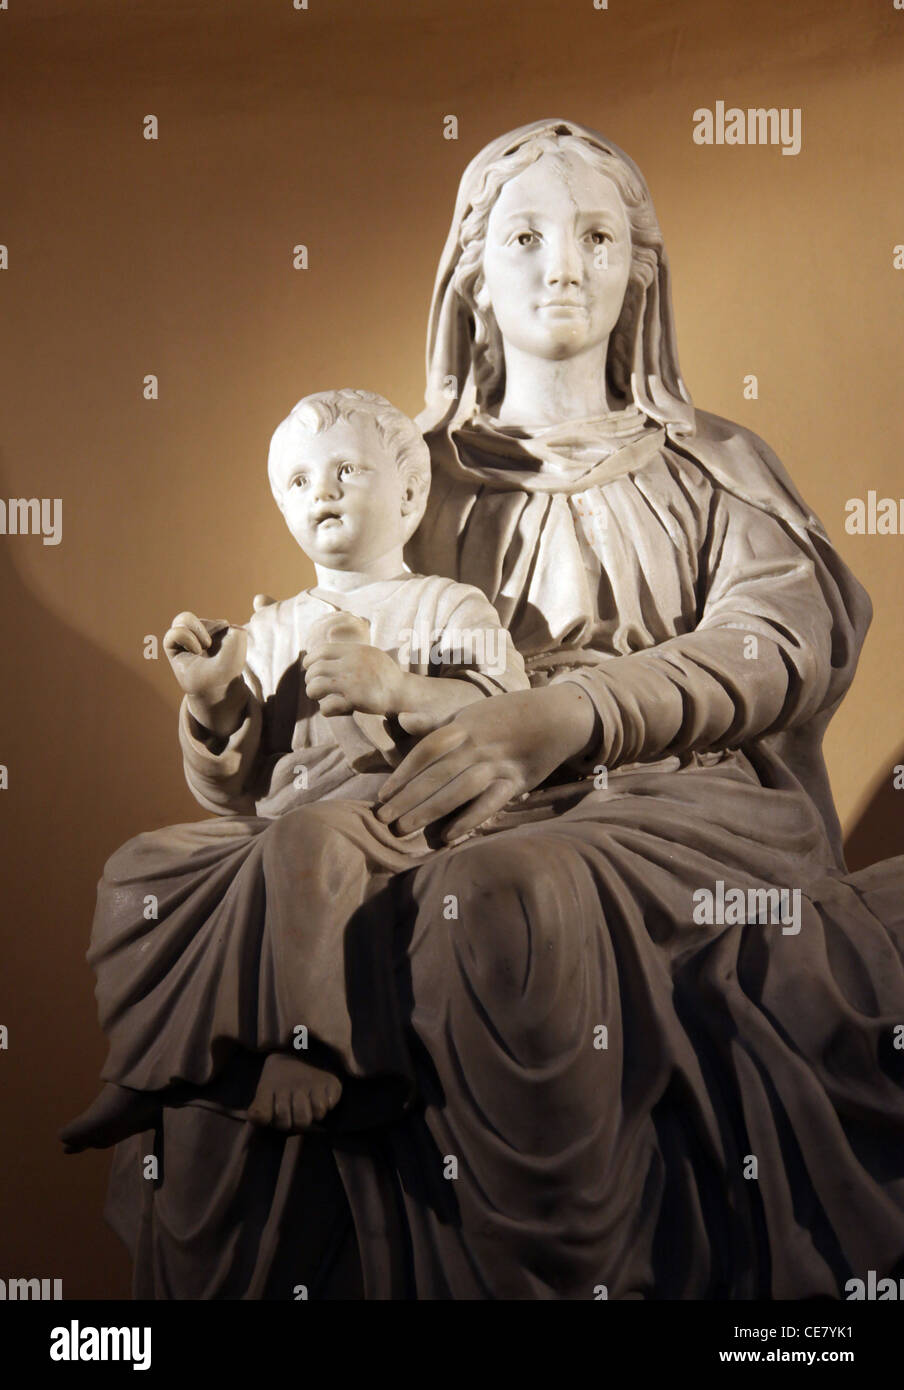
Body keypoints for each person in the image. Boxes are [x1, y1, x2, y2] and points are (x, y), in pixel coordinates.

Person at [71, 121, 904, 1301]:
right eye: (525, 237)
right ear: (470, 273)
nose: (563, 265)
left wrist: (565, 717)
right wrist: (220, 725)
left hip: (661, 802)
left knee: (501, 898)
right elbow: (293, 713)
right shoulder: (399, 470)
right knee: (185, 889)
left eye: (597, 236)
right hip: (410, 799)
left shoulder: (713, 465)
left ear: (638, 272)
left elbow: (775, 645)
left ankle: (562, 1272)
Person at [60, 387, 527, 1153]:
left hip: (393, 818)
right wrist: (214, 699)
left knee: (304, 843)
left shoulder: (447, 606)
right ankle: (147, 1066)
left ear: (410, 494)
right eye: (301, 482)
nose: (323, 493)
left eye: (347, 470)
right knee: (140, 866)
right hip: (279, 823)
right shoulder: (271, 626)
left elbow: (506, 714)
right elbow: (231, 791)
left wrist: (399, 690)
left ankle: (309, 1047)